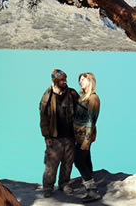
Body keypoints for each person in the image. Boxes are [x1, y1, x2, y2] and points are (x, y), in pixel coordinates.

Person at [39, 69, 79, 198]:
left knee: (68, 162)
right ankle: (48, 187)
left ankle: (64, 183)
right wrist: (46, 136)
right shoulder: (48, 95)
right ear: (55, 81)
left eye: (65, 79)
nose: (64, 82)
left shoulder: (72, 93)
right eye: (62, 80)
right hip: (54, 137)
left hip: (70, 136)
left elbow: (80, 110)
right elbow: (43, 117)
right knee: (51, 164)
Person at [73, 72, 101, 203]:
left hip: (85, 137)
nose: (80, 82)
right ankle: (90, 190)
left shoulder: (93, 98)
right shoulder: (83, 97)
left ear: (90, 82)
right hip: (78, 136)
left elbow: (91, 120)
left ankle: (92, 190)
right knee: (86, 160)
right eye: (80, 80)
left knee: (78, 161)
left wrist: (86, 140)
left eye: (83, 80)